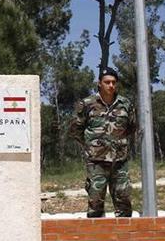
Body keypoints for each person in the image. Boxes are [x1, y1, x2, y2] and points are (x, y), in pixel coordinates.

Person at [69, 67, 138, 218]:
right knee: (95, 201)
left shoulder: (125, 104)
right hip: (96, 162)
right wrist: (91, 145)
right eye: (107, 82)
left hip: (120, 161)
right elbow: (75, 129)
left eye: (114, 82)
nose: (111, 85)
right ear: (100, 83)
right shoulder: (87, 104)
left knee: (124, 200)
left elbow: (131, 127)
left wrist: (118, 143)